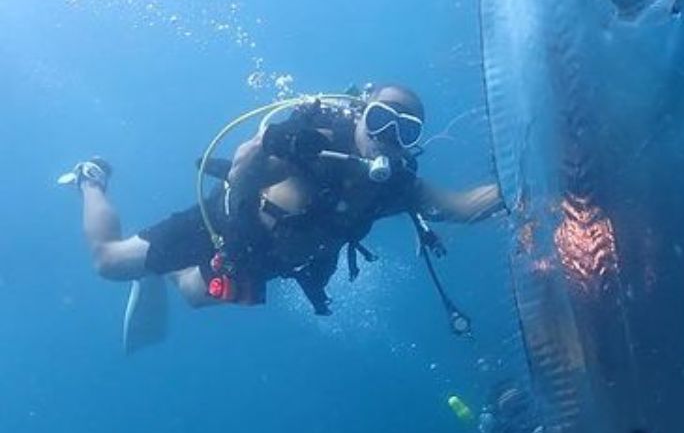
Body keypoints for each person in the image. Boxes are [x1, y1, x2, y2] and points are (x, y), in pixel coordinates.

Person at [61, 84, 504, 351]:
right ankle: (92, 178)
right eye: (381, 119)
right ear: (362, 114)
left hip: (264, 261)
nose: (386, 137)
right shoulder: (316, 143)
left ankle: (159, 272)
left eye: (404, 130)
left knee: (195, 294)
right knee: (107, 261)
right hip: (225, 226)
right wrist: (274, 142)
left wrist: (538, 178)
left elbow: (462, 208)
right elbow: (240, 166)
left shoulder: (396, 187)